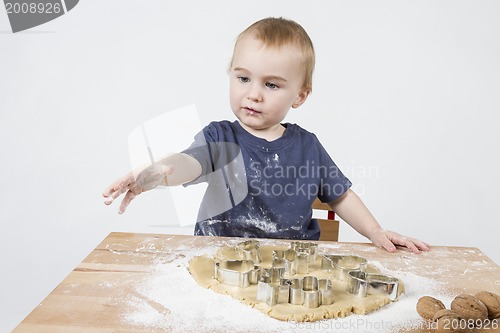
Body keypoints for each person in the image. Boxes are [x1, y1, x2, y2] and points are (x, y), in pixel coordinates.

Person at [103, 17, 430, 254]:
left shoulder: (307, 146)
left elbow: (340, 195)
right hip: (219, 261)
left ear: (300, 96)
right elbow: (190, 162)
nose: (253, 94)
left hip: (293, 266)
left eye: (271, 84)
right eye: (243, 78)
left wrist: (375, 231)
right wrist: (157, 172)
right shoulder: (221, 137)